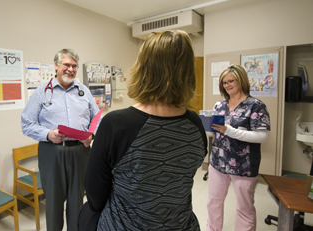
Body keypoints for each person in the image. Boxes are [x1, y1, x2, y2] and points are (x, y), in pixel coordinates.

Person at [80, 30, 208, 231]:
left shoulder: (116, 124)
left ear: (143, 69)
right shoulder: (195, 124)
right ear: (187, 72)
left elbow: (95, 195)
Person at [21, 48, 100, 231]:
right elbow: (27, 124)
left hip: (80, 151)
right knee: (54, 202)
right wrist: (48, 134)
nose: (70, 69)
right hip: (52, 152)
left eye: (74, 66)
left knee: (77, 201)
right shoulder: (42, 92)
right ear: (56, 66)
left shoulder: (84, 92)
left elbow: (97, 120)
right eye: (66, 65)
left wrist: (91, 135)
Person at [205, 64, 270, 231]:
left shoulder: (255, 105)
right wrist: (208, 128)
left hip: (244, 164)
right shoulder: (220, 105)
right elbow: (215, 134)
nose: (227, 85)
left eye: (230, 81)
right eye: (224, 83)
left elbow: (262, 136)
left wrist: (230, 131)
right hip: (218, 162)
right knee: (214, 201)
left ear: (241, 80)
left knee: (244, 207)